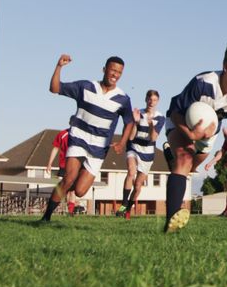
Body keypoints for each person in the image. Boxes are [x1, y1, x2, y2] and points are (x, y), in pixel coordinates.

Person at [162, 40, 227, 233]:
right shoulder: (203, 82)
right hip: (179, 120)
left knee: (190, 166)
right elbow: (175, 112)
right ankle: (171, 221)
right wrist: (189, 133)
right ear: (226, 65)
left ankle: (171, 158)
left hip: (209, 133)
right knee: (185, 157)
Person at [40, 54, 134, 222]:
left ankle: (73, 176)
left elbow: (129, 122)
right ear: (104, 70)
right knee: (68, 179)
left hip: (99, 147)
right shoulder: (86, 86)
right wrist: (59, 66)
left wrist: (123, 142)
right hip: (79, 138)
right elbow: (55, 88)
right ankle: (46, 217)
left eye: (119, 72)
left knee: (80, 191)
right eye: (113, 70)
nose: (115, 75)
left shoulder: (123, 99)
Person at [116, 90, 165, 220]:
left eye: (154, 100)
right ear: (146, 99)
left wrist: (150, 124)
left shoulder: (160, 118)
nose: (151, 102)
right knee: (131, 171)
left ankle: (128, 210)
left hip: (148, 153)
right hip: (134, 148)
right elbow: (131, 136)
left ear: (157, 102)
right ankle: (124, 204)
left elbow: (153, 138)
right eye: (149, 99)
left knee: (137, 186)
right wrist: (136, 123)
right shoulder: (138, 114)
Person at [44, 127, 79, 215]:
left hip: (75, 165)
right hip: (64, 165)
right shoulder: (62, 134)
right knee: (64, 188)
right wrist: (49, 163)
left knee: (72, 190)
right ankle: (61, 209)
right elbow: (55, 148)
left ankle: (70, 212)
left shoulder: (80, 134)